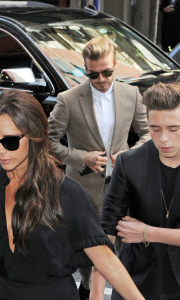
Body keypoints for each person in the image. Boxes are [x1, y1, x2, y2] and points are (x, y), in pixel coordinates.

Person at [0, 89, 145, 300]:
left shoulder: (67, 193)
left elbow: (105, 260)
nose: (0, 151)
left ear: (35, 136)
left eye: (11, 142)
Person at [91, 82, 180, 300]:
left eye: (173, 129)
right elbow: (108, 228)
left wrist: (147, 233)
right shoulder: (129, 162)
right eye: (154, 129)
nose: (163, 138)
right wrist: (96, 291)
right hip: (135, 280)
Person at [48, 37, 150, 298]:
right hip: (82, 190)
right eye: (93, 74)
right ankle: (87, 291)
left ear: (116, 65)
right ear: (85, 69)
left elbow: (148, 133)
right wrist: (83, 157)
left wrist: (128, 154)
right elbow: (48, 142)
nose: (101, 78)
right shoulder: (68, 99)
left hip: (121, 187)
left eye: (107, 72)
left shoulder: (131, 94)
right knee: (88, 254)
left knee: (117, 250)